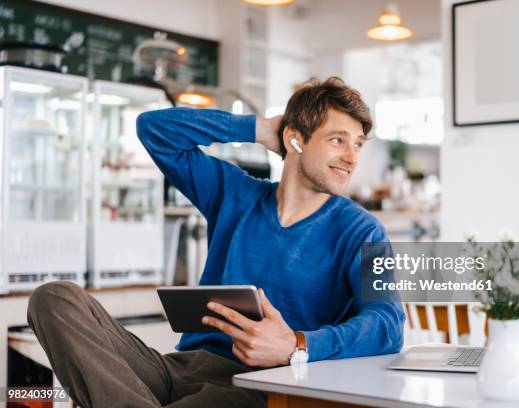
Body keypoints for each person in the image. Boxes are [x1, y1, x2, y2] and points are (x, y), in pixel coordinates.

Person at [27, 77, 405, 408]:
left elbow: (388, 323)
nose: (351, 157)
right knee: (53, 298)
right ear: (295, 139)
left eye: (357, 144)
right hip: (180, 368)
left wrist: (296, 344)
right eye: (338, 140)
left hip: (259, 384)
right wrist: (258, 128)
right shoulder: (234, 193)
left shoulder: (364, 232)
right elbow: (154, 130)